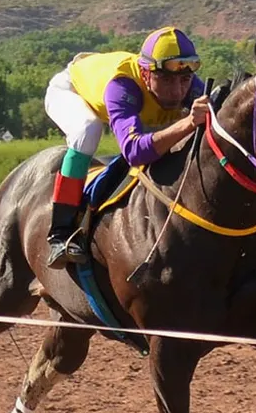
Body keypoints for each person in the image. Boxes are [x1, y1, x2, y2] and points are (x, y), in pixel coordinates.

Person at [42, 26, 211, 269]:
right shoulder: (123, 86)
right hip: (70, 89)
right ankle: (60, 232)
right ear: (145, 73)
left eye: (184, 80)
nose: (176, 91)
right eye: (165, 79)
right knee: (88, 130)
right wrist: (187, 122)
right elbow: (133, 152)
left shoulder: (189, 84)